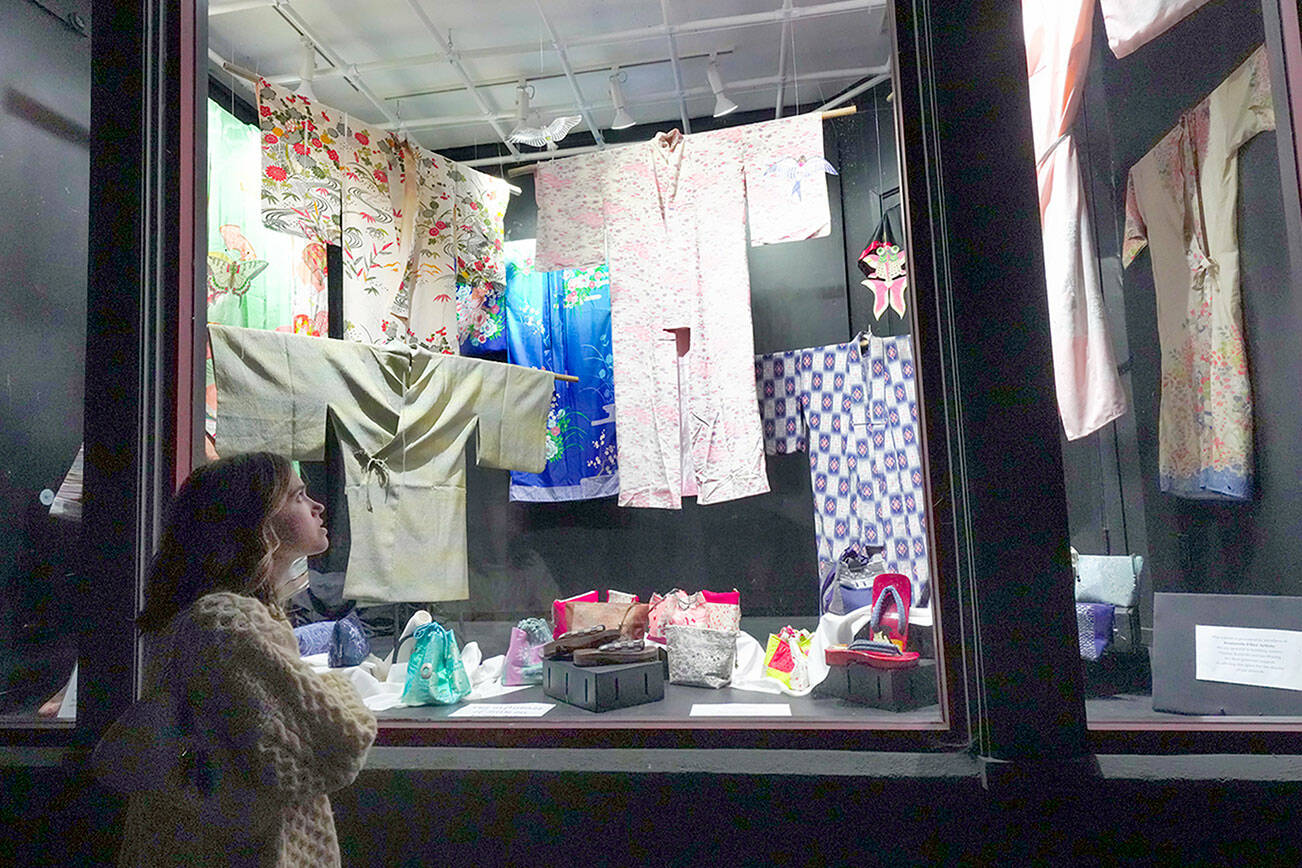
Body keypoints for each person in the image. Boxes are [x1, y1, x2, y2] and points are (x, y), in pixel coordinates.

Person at [116, 452, 377, 867]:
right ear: (255, 523)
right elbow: (338, 741)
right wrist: (345, 686)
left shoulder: (220, 617)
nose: (317, 506)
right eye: (297, 497)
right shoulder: (226, 624)